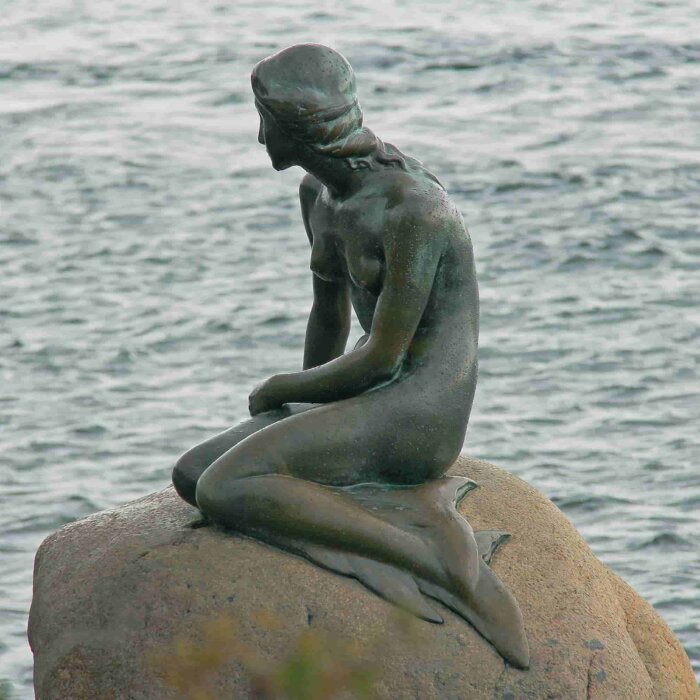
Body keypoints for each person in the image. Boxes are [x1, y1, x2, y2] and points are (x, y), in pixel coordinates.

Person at [172, 43, 483, 633]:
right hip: (366, 393)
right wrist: (300, 405)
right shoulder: (316, 194)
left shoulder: (414, 211)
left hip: (419, 409)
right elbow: (328, 316)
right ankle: (336, 520)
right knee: (192, 475)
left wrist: (281, 388)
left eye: (265, 121)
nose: (260, 137)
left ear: (299, 128)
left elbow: (384, 357)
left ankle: (429, 558)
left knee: (227, 485)